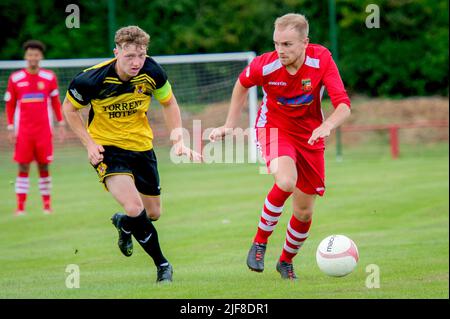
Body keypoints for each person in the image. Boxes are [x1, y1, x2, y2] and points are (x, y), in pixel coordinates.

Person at [209, 13, 351, 280]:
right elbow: (242, 83)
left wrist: (327, 125)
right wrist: (229, 124)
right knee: (286, 181)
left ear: (305, 43)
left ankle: (286, 261)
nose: (280, 50)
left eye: (287, 44)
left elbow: (343, 104)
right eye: (276, 43)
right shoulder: (266, 65)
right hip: (273, 128)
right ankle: (260, 242)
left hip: (310, 135)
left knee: (304, 211)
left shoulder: (321, 60)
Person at [63, 26, 201, 283]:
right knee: (134, 205)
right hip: (108, 149)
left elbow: (169, 103)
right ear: (116, 52)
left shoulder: (152, 72)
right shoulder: (91, 79)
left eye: (141, 55)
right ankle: (163, 265)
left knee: (152, 213)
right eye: (129, 56)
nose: (137, 62)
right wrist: (90, 144)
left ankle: (124, 224)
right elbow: (69, 110)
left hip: (141, 147)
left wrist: (178, 141)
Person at [4, 40, 66, 216]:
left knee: (44, 166)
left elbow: (55, 102)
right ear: (26, 56)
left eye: (36, 55)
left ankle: (47, 206)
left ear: (41, 57)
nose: (33, 58)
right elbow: (9, 105)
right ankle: (20, 208)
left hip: (44, 131)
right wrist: (10, 127)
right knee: (23, 167)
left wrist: (60, 123)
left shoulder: (49, 77)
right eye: (30, 54)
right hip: (23, 131)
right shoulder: (15, 78)